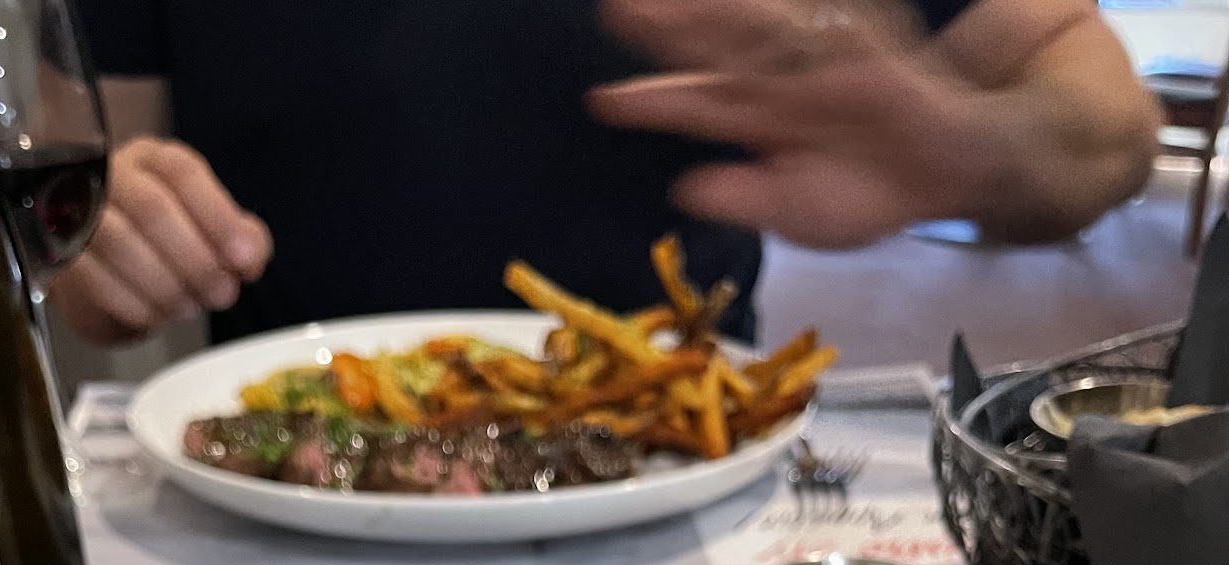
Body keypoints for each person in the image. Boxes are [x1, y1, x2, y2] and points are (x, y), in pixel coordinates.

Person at [57, 0, 1160, 348]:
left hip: (680, 469)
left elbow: (1110, 137)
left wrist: (969, 148)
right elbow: (81, 256)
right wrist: (105, 231)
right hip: (282, 483)